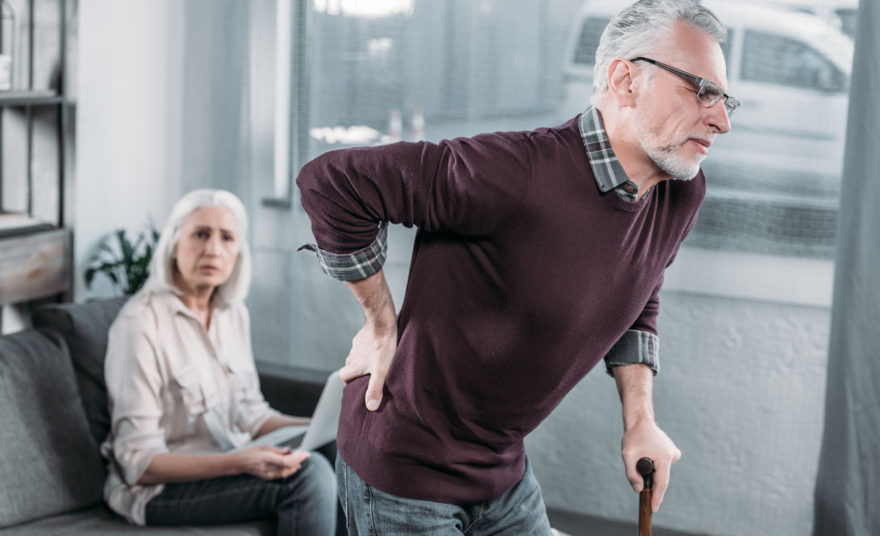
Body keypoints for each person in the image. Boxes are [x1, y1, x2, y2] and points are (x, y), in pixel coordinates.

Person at [296, 0, 736, 533]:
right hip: (404, 471)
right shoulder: (514, 173)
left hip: (502, 475)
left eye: (726, 99)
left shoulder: (679, 193)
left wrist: (640, 420)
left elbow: (640, 290)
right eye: (703, 91)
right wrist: (380, 321)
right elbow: (332, 184)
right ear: (626, 80)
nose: (722, 120)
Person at [101, 189, 337, 535]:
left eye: (226, 238)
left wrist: (320, 427)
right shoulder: (139, 325)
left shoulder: (232, 314)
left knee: (343, 447)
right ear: (173, 244)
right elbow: (140, 463)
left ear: (237, 252)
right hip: (157, 491)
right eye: (200, 234)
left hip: (231, 459)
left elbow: (251, 415)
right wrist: (240, 462)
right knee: (309, 475)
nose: (213, 249)